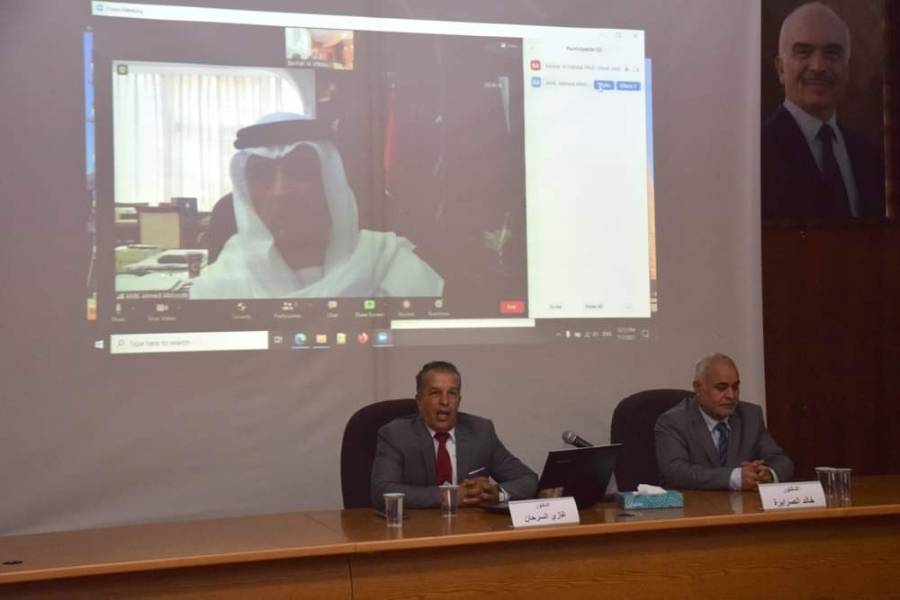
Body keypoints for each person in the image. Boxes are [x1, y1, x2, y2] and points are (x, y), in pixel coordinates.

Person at [190, 112, 444, 298]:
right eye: (262, 174)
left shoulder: (387, 265)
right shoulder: (219, 286)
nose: (281, 192)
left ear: (330, 182)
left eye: (300, 170)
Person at [762, 2, 884, 220]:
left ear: (847, 70)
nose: (818, 66)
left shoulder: (869, 157)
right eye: (803, 52)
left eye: (832, 53)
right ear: (780, 69)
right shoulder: (757, 153)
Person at [370, 361, 538, 510]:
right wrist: (450, 496)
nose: (445, 401)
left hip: (471, 528)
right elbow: (382, 491)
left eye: (452, 393)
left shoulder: (480, 431)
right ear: (419, 401)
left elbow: (528, 479)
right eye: (435, 393)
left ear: (459, 400)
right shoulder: (396, 435)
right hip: (417, 529)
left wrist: (496, 493)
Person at [654, 353, 794, 490]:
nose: (731, 395)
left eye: (735, 387)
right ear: (698, 388)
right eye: (721, 388)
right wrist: (734, 477)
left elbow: (782, 461)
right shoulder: (674, 421)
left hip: (741, 503)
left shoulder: (751, 416)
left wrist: (767, 473)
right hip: (693, 503)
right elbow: (676, 472)